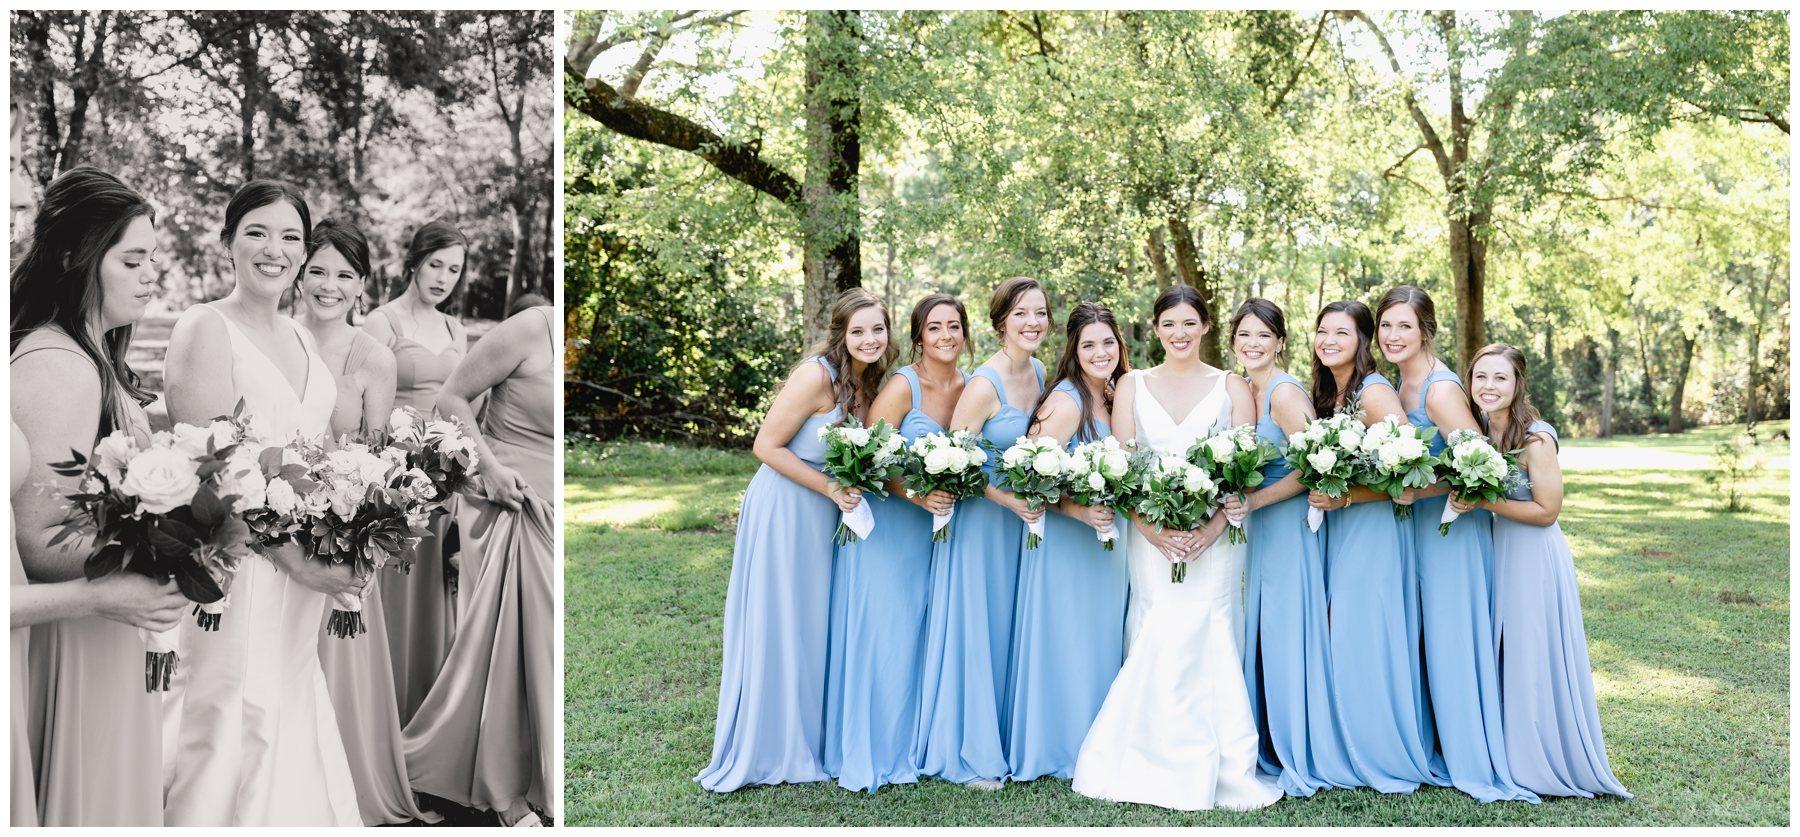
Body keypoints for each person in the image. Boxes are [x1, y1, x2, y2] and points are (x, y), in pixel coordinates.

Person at [161, 180, 363, 826]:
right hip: (236, 569)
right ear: (228, 242)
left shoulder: (304, 338)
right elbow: (209, 478)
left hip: (302, 567)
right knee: (231, 712)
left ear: (303, 253)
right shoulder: (204, 327)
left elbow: (318, 452)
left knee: (289, 703)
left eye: (290, 237)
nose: (274, 249)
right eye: (256, 232)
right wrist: (295, 561)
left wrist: (350, 528)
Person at [9, 166, 189, 826]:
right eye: (132, 258)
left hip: (107, 623)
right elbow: (37, 542)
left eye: (153, 259)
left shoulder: (93, 355)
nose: (149, 275)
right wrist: (164, 547)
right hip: (75, 638)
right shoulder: (61, 367)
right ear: (73, 255)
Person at [1071, 285, 1282, 812]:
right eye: (1169, 324)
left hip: (1217, 536)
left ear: (1206, 327)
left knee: (1211, 626)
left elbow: (1242, 472)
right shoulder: (1132, 385)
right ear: (1156, 329)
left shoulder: (1233, 386)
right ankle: (1143, 754)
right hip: (1151, 538)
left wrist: (1209, 531)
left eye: (1190, 323)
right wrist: (1151, 530)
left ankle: (1225, 764)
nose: (1179, 333)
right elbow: (1122, 468)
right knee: (1156, 625)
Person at [697, 288, 896, 792]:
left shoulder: (869, 382)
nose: (869, 339)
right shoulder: (815, 375)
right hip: (786, 505)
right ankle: (771, 746)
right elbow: (765, 445)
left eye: (878, 329)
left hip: (822, 515)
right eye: (858, 331)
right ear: (840, 333)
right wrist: (831, 486)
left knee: (811, 624)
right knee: (779, 620)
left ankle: (807, 738)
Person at [295, 219, 435, 825]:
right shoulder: (275, 339)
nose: (329, 286)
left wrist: (363, 545)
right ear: (300, 274)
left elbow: (378, 462)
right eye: (318, 271)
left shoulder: (373, 357)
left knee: (338, 665)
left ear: (361, 286)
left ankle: (349, 793)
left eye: (344, 275)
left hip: (344, 536)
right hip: (273, 533)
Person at [403, 302, 560, 824]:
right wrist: (488, 469)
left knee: (546, 654)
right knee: (526, 650)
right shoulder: (532, 327)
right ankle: (506, 792)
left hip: (560, 507)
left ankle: (542, 779)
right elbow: (451, 397)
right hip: (513, 503)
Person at [1378, 286, 1536, 804]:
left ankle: (1471, 754)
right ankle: (1435, 744)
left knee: (1451, 641)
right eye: (1385, 325)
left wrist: (1417, 489)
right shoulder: (1398, 386)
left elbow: (1478, 465)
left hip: (1451, 533)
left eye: (1404, 325)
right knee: (1425, 641)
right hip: (1417, 532)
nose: (1393, 335)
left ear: (1426, 329)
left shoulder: (1441, 390)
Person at [1457, 343, 1631, 799]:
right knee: (1506, 651)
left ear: (1517, 384)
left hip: (1534, 555)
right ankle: (1509, 751)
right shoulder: (1476, 432)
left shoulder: (1536, 437)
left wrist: (1480, 500)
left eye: (1499, 378)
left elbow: (1547, 510)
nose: (1488, 386)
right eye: (1480, 377)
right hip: (1498, 552)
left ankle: (1542, 760)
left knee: (1533, 652)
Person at [822, 292, 967, 793]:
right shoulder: (904, 387)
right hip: (887, 525)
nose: (945, 336)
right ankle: (868, 747)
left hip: (932, 532)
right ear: (918, 337)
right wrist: (917, 494)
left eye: (953, 326)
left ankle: (913, 740)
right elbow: (866, 459)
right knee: (882, 634)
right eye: (935, 328)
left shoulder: (970, 386)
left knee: (916, 633)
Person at [915, 276, 1048, 789]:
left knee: (1010, 627)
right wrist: (1005, 497)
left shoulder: (1038, 371)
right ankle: (969, 750)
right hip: (982, 524)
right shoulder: (984, 384)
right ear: (1000, 324)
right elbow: (955, 459)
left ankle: (1009, 734)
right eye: (1021, 314)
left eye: (1039, 312)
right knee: (979, 626)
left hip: (1022, 525)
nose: (1032, 322)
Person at [1305, 299, 1442, 794]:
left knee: (1360, 633)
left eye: (1342, 333)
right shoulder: (1333, 393)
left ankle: (1379, 751)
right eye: (1323, 331)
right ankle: (1349, 742)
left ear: (1362, 341)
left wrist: (1349, 496)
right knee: (1343, 632)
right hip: (1345, 529)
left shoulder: (1374, 391)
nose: (1329, 341)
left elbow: (1409, 467)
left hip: (1375, 529)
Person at [1230, 298, 1358, 796]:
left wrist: (1255, 500)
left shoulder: (1283, 394)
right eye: (1244, 335)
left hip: (1286, 530)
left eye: (1263, 335)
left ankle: (1298, 744)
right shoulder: (1244, 388)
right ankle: (1267, 739)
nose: (1253, 344)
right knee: (1266, 632)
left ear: (1280, 342)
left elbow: (1313, 470)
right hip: (1263, 530)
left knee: (1287, 636)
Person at [1005, 301, 1129, 783]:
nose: (1101, 352)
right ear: (1074, 352)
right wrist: (1078, 510)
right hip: (1066, 544)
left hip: (1106, 544)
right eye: (1089, 345)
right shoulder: (1068, 399)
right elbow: (1027, 477)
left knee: (1098, 641)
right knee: (1067, 642)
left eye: (1108, 342)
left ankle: (1095, 741)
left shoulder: (1115, 394)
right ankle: (1057, 746)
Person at [363, 220, 469, 723]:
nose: (444, 277)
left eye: (454, 269)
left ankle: (427, 715)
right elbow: (366, 406)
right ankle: (384, 708)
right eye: (436, 265)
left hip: (445, 478)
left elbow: (466, 406)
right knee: (392, 594)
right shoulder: (383, 323)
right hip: (392, 476)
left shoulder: (456, 330)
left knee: (434, 594)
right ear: (415, 262)